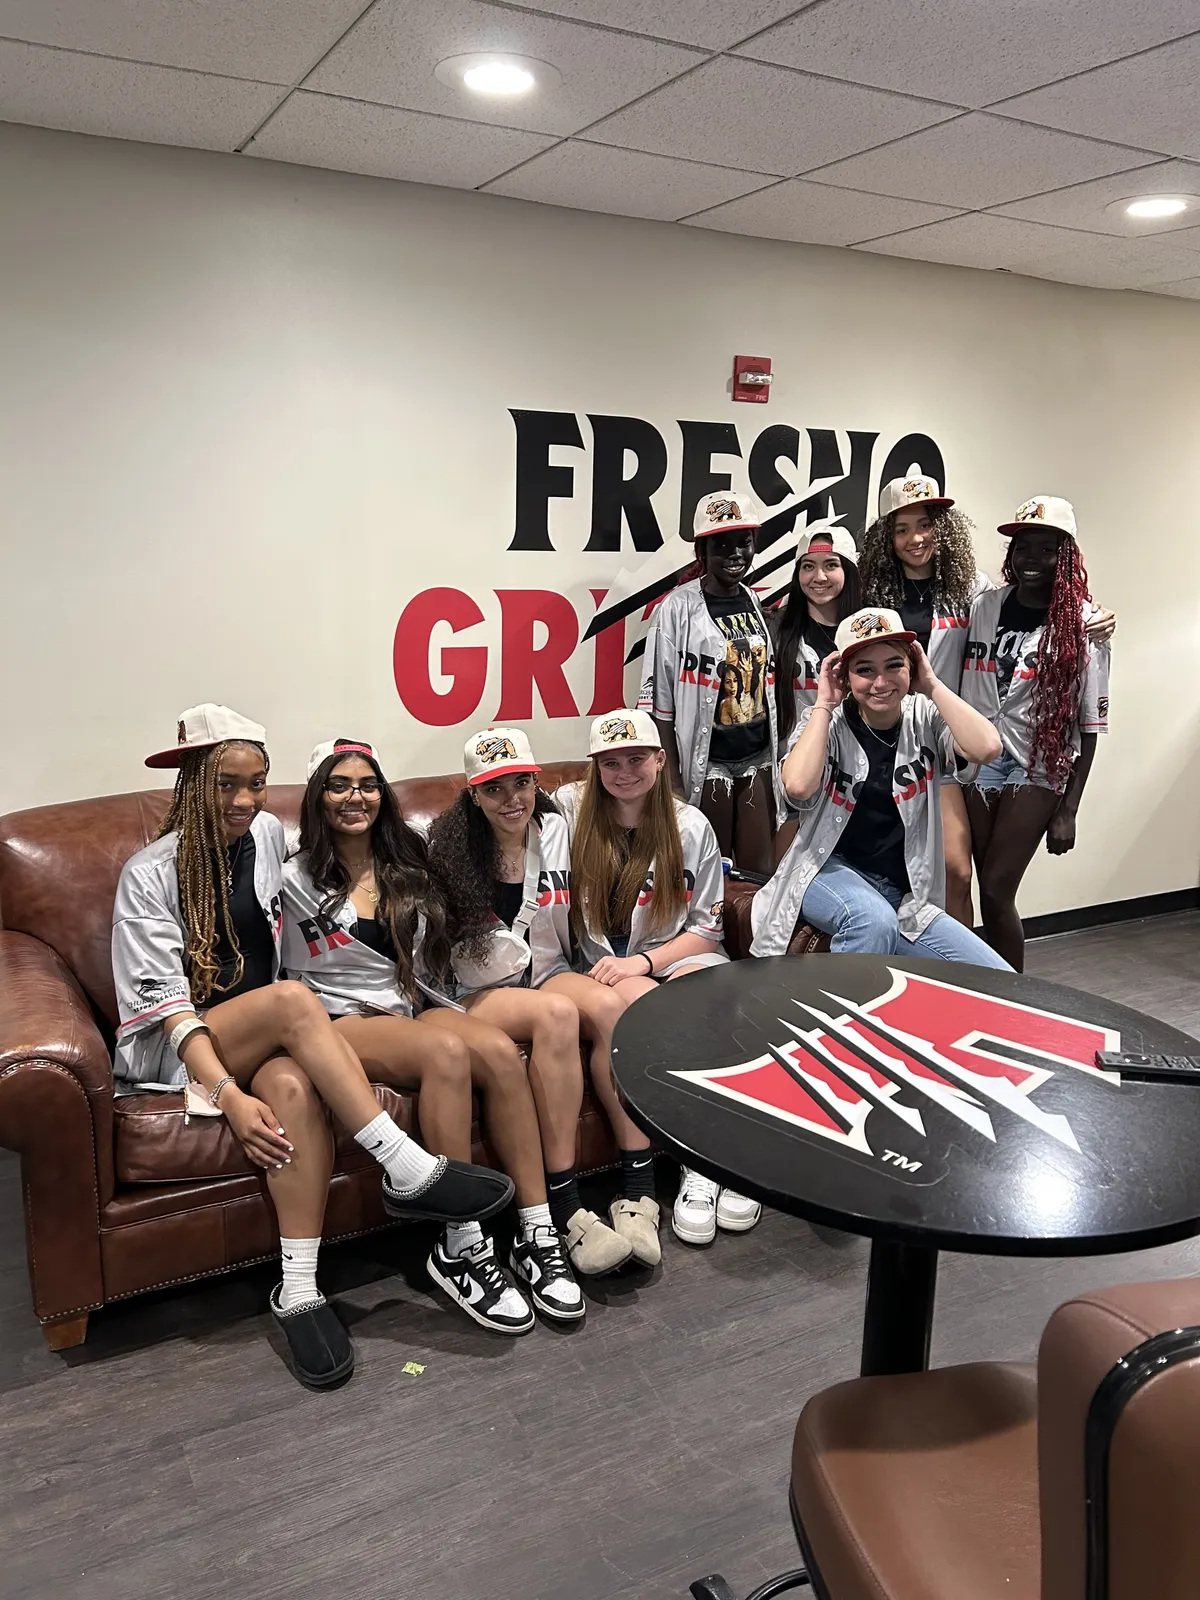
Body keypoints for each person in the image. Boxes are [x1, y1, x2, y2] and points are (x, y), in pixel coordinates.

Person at [111, 706, 511, 1388]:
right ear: (190, 784)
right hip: (178, 1050)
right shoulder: (149, 872)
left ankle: (297, 1288)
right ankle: (406, 1167)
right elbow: (171, 1012)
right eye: (226, 785)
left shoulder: (267, 835)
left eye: (258, 783)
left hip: (263, 1030)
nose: (244, 801)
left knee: (294, 1087)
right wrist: (227, 1095)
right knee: (296, 1004)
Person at [282, 738, 586, 1331]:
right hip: (340, 1018)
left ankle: (536, 1230)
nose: (355, 798)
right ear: (316, 798)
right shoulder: (290, 876)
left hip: (414, 1002)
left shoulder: (407, 860)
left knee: (497, 1052)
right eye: (338, 786)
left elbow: (436, 953)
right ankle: (461, 1244)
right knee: (446, 1050)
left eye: (368, 785)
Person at [858, 465, 1115, 925]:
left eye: (926, 524)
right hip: (885, 745)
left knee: (960, 872)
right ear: (886, 539)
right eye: (901, 529)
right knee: (897, 865)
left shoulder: (972, 590)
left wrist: (1095, 617)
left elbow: (1040, 605)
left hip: (952, 745)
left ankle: (972, 978)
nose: (916, 538)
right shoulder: (871, 593)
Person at [425, 728, 636, 1278]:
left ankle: (638, 1186)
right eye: (495, 789)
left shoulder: (559, 830)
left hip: (548, 970)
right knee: (558, 1014)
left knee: (612, 1008)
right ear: (473, 794)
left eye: (521, 783)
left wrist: (617, 963)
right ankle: (565, 1203)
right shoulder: (446, 847)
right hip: (476, 994)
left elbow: (579, 917)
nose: (511, 799)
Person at [555, 710, 761, 1249]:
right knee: (651, 1009)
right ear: (594, 768)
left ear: (660, 760)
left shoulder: (690, 825)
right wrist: (628, 970)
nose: (625, 772)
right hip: (601, 967)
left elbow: (709, 929)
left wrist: (644, 963)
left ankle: (721, 1161)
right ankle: (700, 1159)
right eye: (611, 762)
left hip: (668, 954)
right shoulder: (569, 813)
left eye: (636, 759)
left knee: (718, 1002)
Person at [750, 613, 1011, 968]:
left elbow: (987, 747)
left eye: (894, 666)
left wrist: (932, 684)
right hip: (825, 873)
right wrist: (824, 703)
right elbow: (797, 786)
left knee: (993, 977)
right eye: (865, 670)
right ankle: (845, 1022)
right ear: (845, 674)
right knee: (871, 919)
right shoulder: (828, 723)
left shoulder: (924, 716)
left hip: (902, 897)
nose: (881, 682)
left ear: (911, 666)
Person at [960, 496, 1110, 972]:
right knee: (986, 887)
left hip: (1038, 765)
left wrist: (1069, 809)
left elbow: (1091, 724)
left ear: (1065, 556)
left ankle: (1014, 996)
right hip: (981, 759)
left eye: (1047, 550)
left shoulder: (1085, 625)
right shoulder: (984, 607)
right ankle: (993, 988)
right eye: (1025, 547)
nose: (1032, 559)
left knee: (999, 889)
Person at [638, 490, 785, 875]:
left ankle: (750, 939)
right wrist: (670, 782)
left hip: (757, 758)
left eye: (744, 543)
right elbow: (659, 701)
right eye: (721, 545)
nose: (735, 553)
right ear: (701, 551)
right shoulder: (677, 608)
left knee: (757, 873)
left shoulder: (753, 601)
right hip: (708, 764)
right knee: (707, 874)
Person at [772, 525, 864, 751]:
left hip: (855, 764)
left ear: (848, 571)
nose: (819, 577)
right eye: (808, 566)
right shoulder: (776, 629)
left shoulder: (869, 629)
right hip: (794, 762)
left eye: (831, 565)